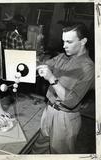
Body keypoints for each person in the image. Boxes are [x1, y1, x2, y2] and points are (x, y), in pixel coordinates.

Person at [33, 23, 95, 154]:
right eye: (63, 41)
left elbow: (71, 101)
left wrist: (51, 79)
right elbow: (41, 65)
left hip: (65, 118)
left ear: (83, 41)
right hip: (48, 110)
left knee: (58, 154)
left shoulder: (88, 68)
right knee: (38, 149)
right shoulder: (62, 57)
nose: (64, 45)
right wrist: (35, 50)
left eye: (69, 42)